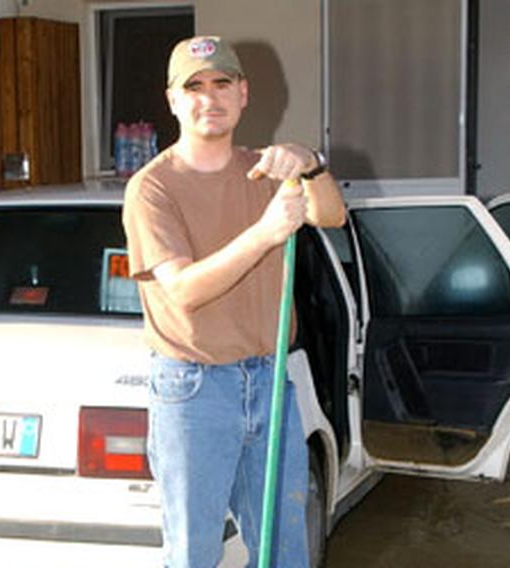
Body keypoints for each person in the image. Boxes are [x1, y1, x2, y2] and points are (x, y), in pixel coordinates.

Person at [122, 36, 346, 567]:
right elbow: (183, 291)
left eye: (222, 83)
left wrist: (310, 164)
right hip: (194, 391)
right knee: (195, 554)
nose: (210, 98)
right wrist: (266, 233)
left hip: (270, 380)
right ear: (173, 100)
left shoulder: (267, 171)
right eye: (194, 87)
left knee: (283, 548)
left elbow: (332, 216)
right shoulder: (152, 188)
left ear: (243, 94)